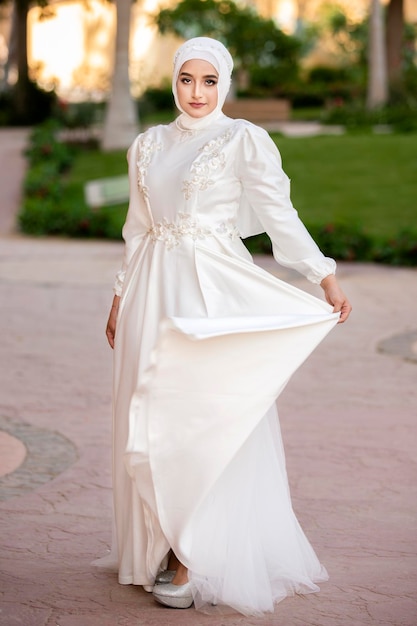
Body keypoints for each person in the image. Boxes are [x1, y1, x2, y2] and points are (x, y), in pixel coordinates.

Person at [103, 36, 352, 616]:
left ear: (226, 84)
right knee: (149, 410)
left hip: (210, 291)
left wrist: (323, 275)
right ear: (172, 81)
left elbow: (277, 215)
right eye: (187, 79)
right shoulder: (147, 145)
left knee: (203, 413)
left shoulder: (243, 140)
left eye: (209, 81)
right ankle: (157, 544)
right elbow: (137, 228)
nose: (197, 92)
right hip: (150, 292)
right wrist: (119, 296)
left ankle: (191, 553)